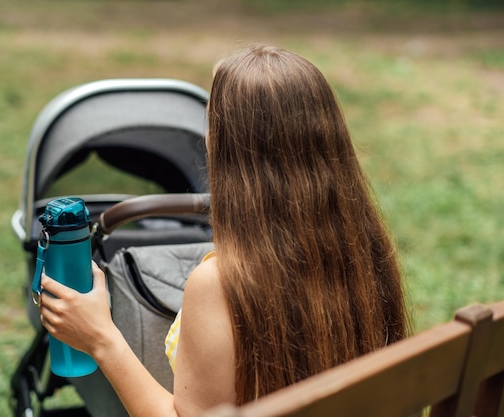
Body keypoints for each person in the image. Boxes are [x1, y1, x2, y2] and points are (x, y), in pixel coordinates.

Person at [39, 44, 410, 417]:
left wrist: (101, 337)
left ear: (223, 146)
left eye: (211, 121)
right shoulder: (366, 253)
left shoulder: (222, 283)